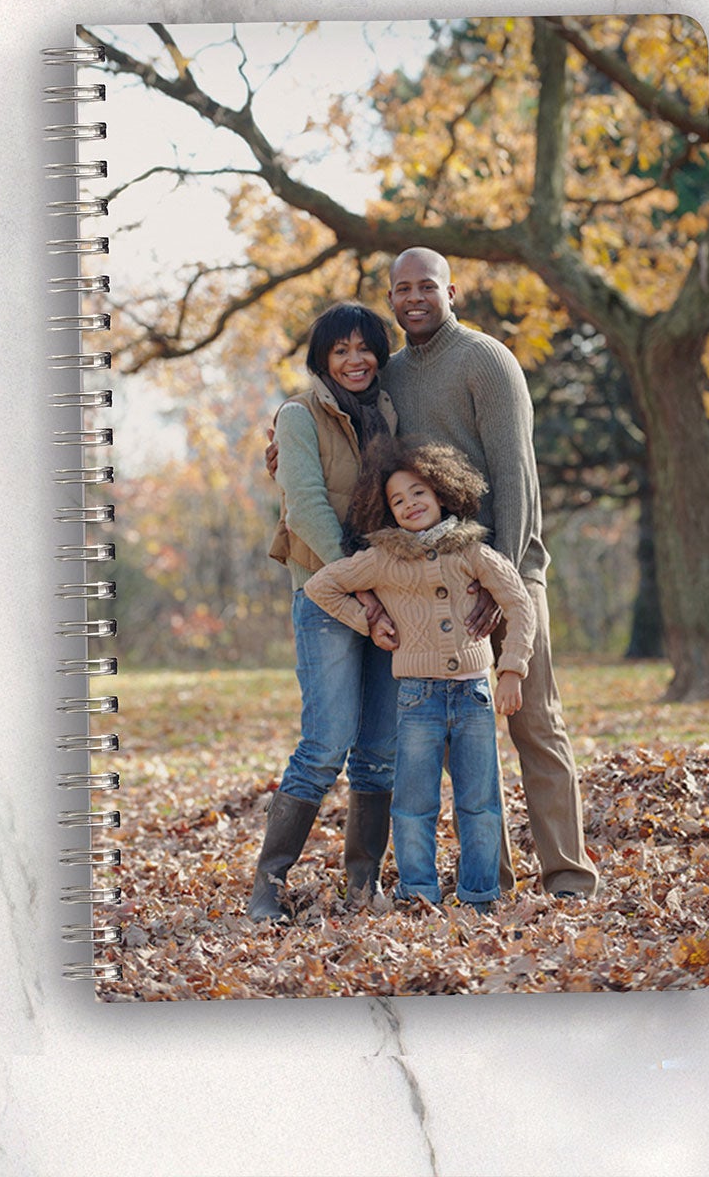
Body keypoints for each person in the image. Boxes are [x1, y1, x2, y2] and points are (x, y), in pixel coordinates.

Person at [379, 247, 599, 899]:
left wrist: (504, 583)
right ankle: (491, 879)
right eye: (402, 289)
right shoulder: (391, 376)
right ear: (391, 298)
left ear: (452, 291)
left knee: (533, 720)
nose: (414, 298)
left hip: (509, 572)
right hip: (440, 586)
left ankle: (567, 878)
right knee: (470, 739)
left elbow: (515, 476)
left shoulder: (487, 360)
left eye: (427, 286)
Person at [304, 440, 536, 912]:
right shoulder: (383, 558)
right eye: (398, 500)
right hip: (416, 697)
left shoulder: (473, 551)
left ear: (443, 494)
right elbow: (320, 585)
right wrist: (368, 619)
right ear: (385, 510)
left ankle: (479, 896)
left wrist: (511, 668)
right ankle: (419, 893)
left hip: (473, 694)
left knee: (481, 803)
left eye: (419, 493)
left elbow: (519, 603)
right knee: (413, 806)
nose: (410, 504)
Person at [249, 302, 400, 921]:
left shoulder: (389, 413)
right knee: (324, 745)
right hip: (328, 597)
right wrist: (360, 588)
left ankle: (363, 885)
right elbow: (306, 507)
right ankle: (268, 887)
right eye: (340, 350)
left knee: (380, 750)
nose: (354, 359)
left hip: (393, 597)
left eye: (365, 348)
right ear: (321, 359)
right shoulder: (297, 415)